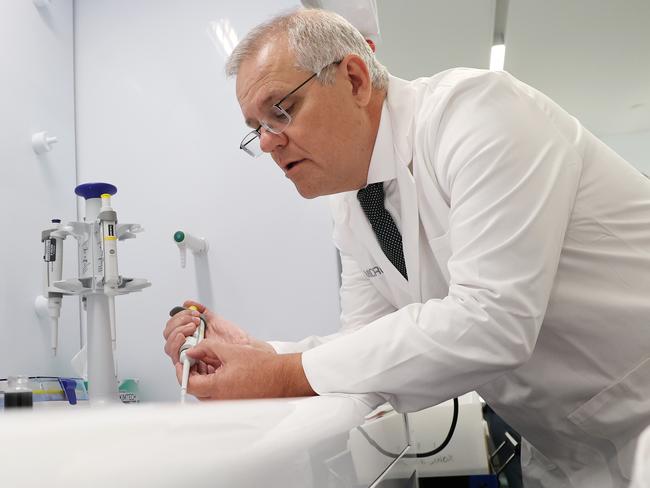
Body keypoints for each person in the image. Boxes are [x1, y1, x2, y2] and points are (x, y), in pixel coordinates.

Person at [163, 8, 650, 487]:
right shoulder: (352, 204)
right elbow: (364, 342)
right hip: (567, 448)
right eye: (258, 128)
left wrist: (279, 373)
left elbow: (493, 320)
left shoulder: (479, 113)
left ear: (354, 79)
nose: (269, 143)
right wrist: (259, 354)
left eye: (280, 111)